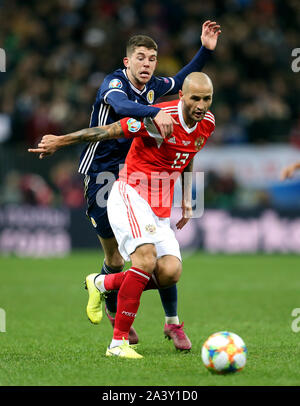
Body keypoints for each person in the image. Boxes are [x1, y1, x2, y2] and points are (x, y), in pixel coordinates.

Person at [38, 20, 221, 350]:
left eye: (152, 58)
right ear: (127, 61)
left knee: (157, 258)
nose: (147, 64)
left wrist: (205, 51)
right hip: (102, 174)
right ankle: (112, 307)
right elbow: (121, 110)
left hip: (141, 175)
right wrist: (154, 112)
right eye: (140, 58)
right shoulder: (114, 85)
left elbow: (182, 82)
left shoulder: (162, 93)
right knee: (120, 258)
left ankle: (161, 318)